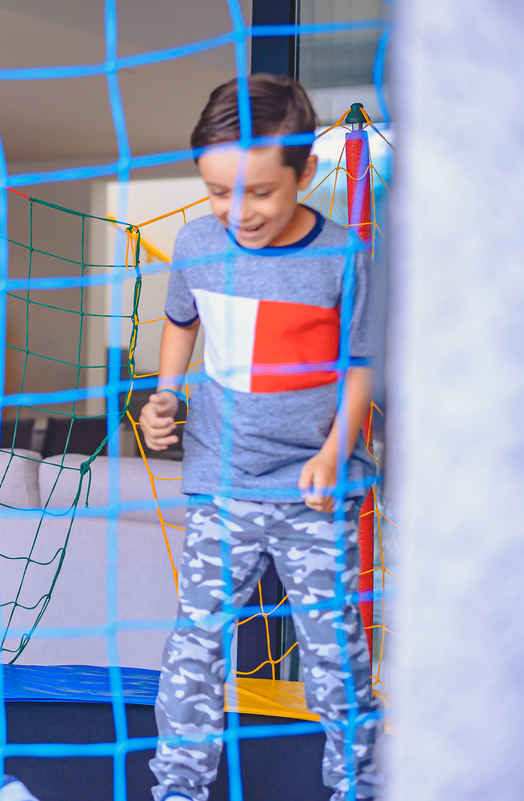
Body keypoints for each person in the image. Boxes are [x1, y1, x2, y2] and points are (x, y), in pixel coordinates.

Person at [138, 74, 380, 801]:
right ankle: (178, 787)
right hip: (222, 478)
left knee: (334, 654)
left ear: (305, 174)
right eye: (218, 192)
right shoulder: (196, 243)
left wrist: (334, 451)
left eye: (259, 193)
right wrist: (165, 394)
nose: (238, 211)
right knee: (196, 644)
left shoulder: (342, 256)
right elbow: (181, 320)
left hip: (315, 488)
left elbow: (362, 362)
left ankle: (357, 785)